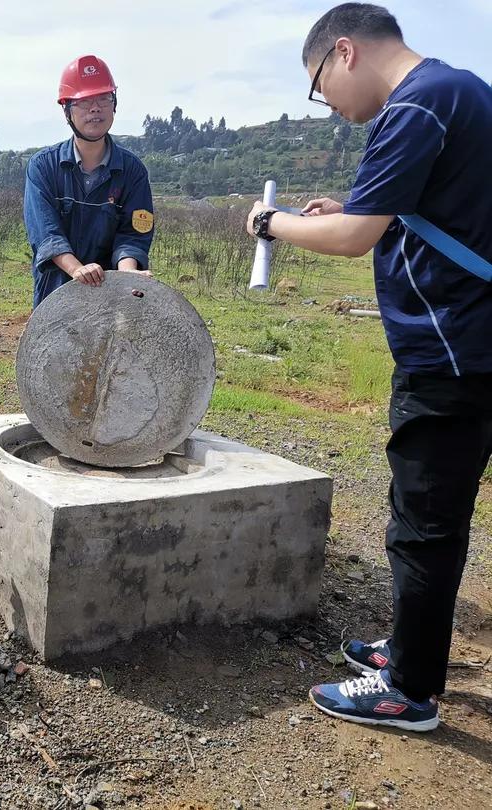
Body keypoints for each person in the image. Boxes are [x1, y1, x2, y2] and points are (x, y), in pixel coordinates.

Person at [245, 3, 492, 732]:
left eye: (319, 86)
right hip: (473, 342)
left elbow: (355, 239)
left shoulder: (413, 108)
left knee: (423, 521)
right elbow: (420, 208)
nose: (328, 105)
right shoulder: (458, 89)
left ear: (344, 52)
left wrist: (272, 223)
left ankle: (409, 690)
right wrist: (353, 204)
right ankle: (408, 649)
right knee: (434, 514)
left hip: (450, 352)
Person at [23, 54, 155, 308]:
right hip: (56, 294)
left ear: (114, 104)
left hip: (113, 296)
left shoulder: (132, 171)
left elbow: (133, 232)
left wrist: (127, 273)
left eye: (104, 98)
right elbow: (46, 233)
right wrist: (76, 270)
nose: (95, 108)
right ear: (67, 110)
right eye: (84, 101)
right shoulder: (43, 167)